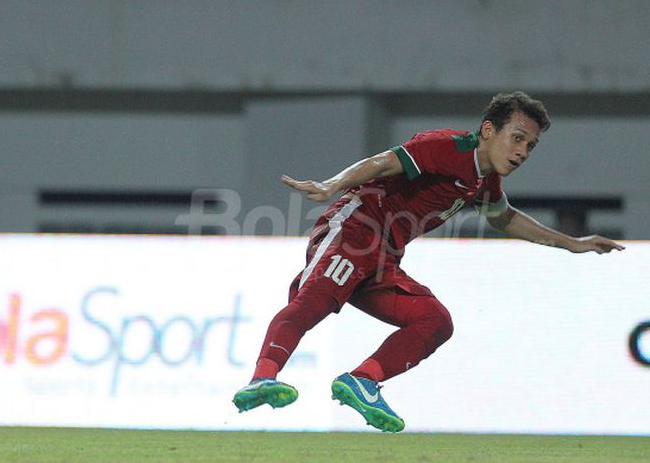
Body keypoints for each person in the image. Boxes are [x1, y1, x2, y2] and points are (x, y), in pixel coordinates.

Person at [232, 91, 625, 432]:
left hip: (385, 256)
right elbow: (385, 162)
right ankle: (262, 378)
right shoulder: (449, 147)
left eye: (530, 146)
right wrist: (333, 184)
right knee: (315, 299)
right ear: (489, 130)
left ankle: (363, 380)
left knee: (435, 321)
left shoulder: (484, 182)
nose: (522, 151)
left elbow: (505, 218)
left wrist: (572, 244)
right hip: (356, 227)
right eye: (517, 138)